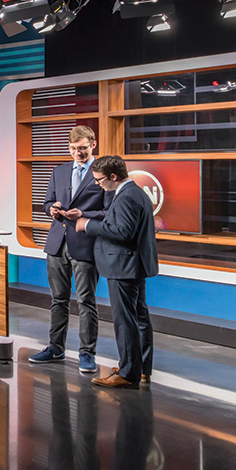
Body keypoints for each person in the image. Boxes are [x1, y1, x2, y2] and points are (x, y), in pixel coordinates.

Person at [29, 126, 111, 374]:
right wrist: (51, 209)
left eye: (83, 148)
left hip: (85, 245)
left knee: (86, 301)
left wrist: (83, 213)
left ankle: (87, 353)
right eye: (74, 149)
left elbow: (108, 211)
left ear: (93, 145)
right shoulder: (60, 171)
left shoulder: (103, 173)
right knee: (58, 300)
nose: (78, 153)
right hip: (57, 244)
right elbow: (46, 203)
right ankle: (55, 348)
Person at [76, 155, 158, 389]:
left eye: (100, 180)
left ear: (113, 176)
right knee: (139, 319)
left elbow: (122, 231)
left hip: (124, 267)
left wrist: (87, 225)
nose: (97, 184)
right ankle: (140, 369)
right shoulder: (134, 192)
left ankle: (128, 374)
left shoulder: (127, 196)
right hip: (133, 265)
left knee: (125, 321)